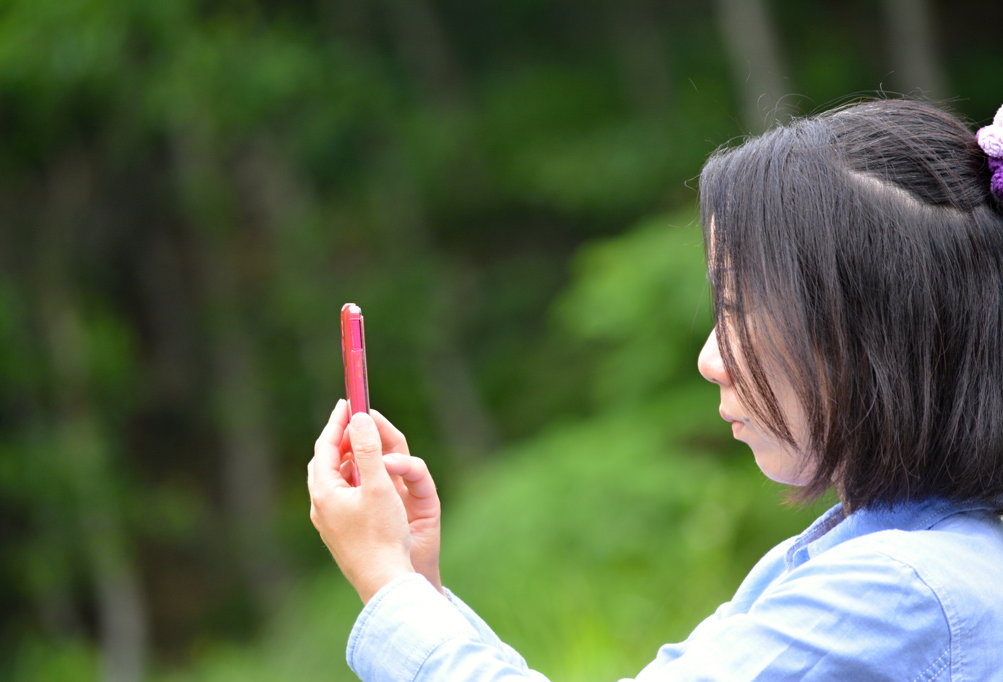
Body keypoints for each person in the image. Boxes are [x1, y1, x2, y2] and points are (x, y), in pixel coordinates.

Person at [308, 98, 1003, 680]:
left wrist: (388, 586)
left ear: (869, 336)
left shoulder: (899, 592)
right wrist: (416, 583)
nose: (711, 359)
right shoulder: (899, 559)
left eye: (736, 308)